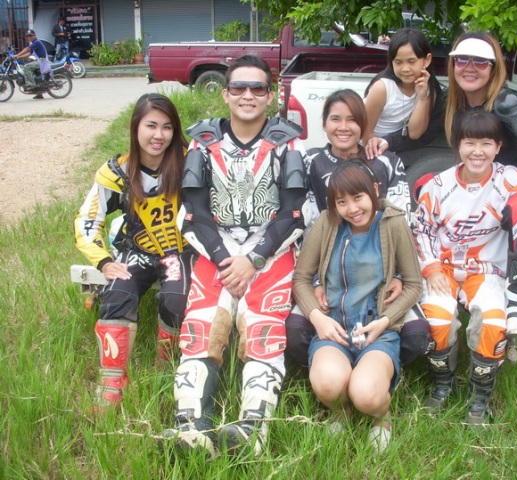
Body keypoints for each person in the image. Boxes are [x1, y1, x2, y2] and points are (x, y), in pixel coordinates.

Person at [162, 54, 309, 457]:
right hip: (216, 248)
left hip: (271, 247)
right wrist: (224, 257)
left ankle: (252, 429)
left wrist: (254, 259)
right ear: (225, 93)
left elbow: (293, 212)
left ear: (270, 95)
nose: (248, 95)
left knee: (263, 328)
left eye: (257, 87)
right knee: (201, 325)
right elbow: (194, 210)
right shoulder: (202, 141)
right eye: (239, 87)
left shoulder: (287, 142)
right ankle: (191, 425)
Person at [414, 110, 517, 425]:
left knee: (491, 321)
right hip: (443, 269)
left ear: (498, 147)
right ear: (457, 146)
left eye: (486, 143)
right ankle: (443, 384)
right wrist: (431, 268)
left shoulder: (510, 178)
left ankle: (480, 397)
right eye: (470, 143)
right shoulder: (438, 185)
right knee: (437, 319)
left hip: (486, 270)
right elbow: (421, 230)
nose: (478, 151)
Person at [285, 88, 432, 368]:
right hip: (325, 268)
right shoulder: (309, 162)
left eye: (352, 119)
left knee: (416, 336)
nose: (343, 127)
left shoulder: (385, 161)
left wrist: (399, 275)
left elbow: (402, 219)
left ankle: (377, 363)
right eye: (335, 119)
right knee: (295, 332)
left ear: (364, 123)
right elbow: (301, 222)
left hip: (379, 270)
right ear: (324, 124)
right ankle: (329, 359)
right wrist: (316, 281)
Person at [293, 160, 423, 452]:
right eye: (342, 202)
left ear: (374, 190)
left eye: (358, 197)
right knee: (327, 383)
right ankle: (340, 411)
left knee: (366, 393)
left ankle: (382, 417)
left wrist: (385, 321)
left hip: (377, 331)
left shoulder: (393, 223)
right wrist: (317, 318)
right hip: (334, 328)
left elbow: (414, 284)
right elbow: (301, 278)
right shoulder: (327, 223)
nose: (352, 208)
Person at [74, 93, 192, 409]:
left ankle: (165, 367)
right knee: (117, 295)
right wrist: (103, 261)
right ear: (136, 127)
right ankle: (111, 383)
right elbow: (87, 220)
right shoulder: (117, 171)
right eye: (151, 125)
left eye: (167, 127)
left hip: (179, 252)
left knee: (175, 301)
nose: (159, 135)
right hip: (137, 249)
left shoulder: (191, 162)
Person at [444, 31, 517, 345]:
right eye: (462, 59)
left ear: (494, 68)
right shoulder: (454, 101)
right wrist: (381, 140)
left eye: (480, 62)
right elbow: (422, 137)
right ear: (453, 64)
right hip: (486, 187)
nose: (470, 67)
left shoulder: (506, 101)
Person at [362, 27, 445, 167]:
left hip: (395, 149)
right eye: (398, 62)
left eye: (412, 61)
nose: (405, 69)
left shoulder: (429, 90)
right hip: (370, 149)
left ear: (426, 60)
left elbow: (415, 133)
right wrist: (376, 157)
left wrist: (422, 98)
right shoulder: (382, 88)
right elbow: (365, 131)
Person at [13, 29, 51, 99]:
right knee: (31, 71)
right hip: (40, 61)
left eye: (31, 36)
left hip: (42, 61)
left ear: (35, 35)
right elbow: (29, 54)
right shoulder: (34, 44)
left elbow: (27, 49)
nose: (29, 37)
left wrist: (17, 55)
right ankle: (39, 93)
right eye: (28, 36)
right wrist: (19, 57)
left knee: (26, 67)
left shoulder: (37, 42)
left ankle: (31, 85)